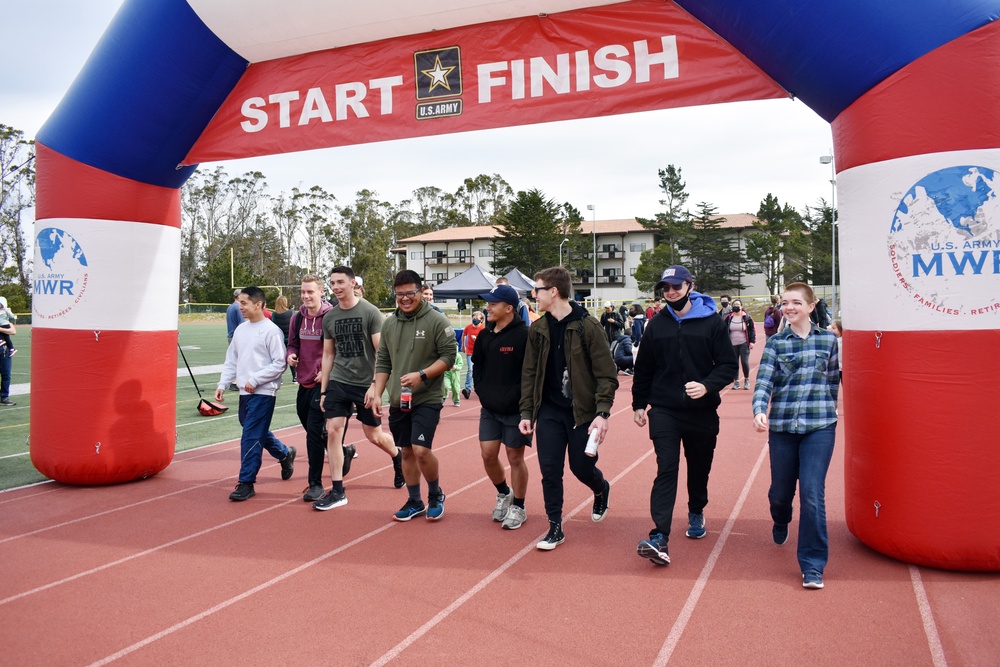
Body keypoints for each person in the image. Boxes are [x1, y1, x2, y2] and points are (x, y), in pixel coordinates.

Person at [632, 266, 738, 565]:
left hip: (702, 411)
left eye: (676, 286)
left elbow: (728, 366)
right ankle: (659, 537)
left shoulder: (712, 322)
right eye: (665, 287)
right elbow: (645, 369)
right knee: (666, 468)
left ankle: (696, 509)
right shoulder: (657, 324)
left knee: (699, 468)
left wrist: (706, 386)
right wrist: (639, 404)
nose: (670, 292)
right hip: (664, 409)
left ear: (690, 286)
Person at [518, 267, 619, 551]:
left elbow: (606, 374)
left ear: (554, 291)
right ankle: (554, 526)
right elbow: (529, 374)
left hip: (581, 412)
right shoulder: (538, 329)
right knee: (550, 470)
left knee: (581, 467)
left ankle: (601, 488)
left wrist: (602, 412)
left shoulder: (588, 326)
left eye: (537, 289)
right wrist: (527, 413)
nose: (533, 295)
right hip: (549, 411)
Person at [752, 282, 840, 590]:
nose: (789, 308)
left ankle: (813, 565)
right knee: (780, 493)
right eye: (784, 303)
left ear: (811, 305)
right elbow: (764, 381)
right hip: (783, 429)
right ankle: (781, 517)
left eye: (795, 303)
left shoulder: (829, 341)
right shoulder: (776, 343)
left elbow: (832, 383)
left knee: (813, 495)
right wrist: (759, 409)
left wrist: (830, 412)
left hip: (820, 427)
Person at [369, 270, 458, 521]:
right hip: (399, 399)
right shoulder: (389, 323)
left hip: (427, 398)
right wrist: (377, 394)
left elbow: (449, 357)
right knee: (406, 451)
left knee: (420, 449)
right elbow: (383, 361)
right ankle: (414, 501)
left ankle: (435, 494)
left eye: (410, 293)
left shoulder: (437, 321)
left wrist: (423, 374)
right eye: (400, 294)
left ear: (420, 291)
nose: (405, 299)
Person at [315, 266, 404, 510]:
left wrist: (375, 386)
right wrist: (324, 390)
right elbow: (328, 354)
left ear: (353, 283)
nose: (336, 287)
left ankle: (397, 456)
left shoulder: (371, 312)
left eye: (341, 282)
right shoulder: (330, 317)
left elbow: (382, 353)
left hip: (366, 384)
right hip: (339, 381)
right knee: (333, 430)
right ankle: (337, 490)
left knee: (373, 435)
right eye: (332, 282)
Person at [215, 286, 296, 501]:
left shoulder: (271, 331)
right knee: (252, 427)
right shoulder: (241, 330)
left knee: (250, 434)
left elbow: (280, 364)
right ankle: (284, 453)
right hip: (244, 391)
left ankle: (246, 482)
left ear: (258, 304)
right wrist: (222, 384)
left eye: (243, 303)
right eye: (238, 303)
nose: (238, 307)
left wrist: (255, 380)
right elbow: (232, 359)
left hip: (263, 392)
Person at [286, 275, 353, 502]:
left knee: (314, 433)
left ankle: (315, 484)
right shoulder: (297, 318)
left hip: (324, 382)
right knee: (308, 424)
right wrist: (290, 355)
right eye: (303, 292)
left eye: (310, 292)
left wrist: (327, 371)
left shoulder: (331, 317)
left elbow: (340, 349)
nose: (305, 296)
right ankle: (343, 453)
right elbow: (293, 342)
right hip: (303, 380)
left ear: (321, 292)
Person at [473, 285, 532, 530]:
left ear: (508, 308)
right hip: (489, 408)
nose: (488, 308)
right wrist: (482, 391)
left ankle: (518, 505)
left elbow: (529, 373)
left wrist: (515, 397)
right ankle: (503, 492)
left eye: (493, 304)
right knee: (488, 454)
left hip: (515, 409)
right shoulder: (486, 335)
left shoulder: (524, 335)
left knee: (514, 457)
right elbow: (478, 366)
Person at [723, 298, 756, 390]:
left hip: (744, 343)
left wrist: (752, 342)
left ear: (742, 306)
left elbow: (752, 330)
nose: (736, 306)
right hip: (732, 344)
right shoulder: (729, 318)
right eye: (734, 305)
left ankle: (746, 380)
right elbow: (724, 330)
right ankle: (736, 381)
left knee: (744, 362)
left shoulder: (747, 317)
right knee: (734, 363)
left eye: (738, 305)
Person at [460, 311, 484, 400]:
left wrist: (477, 339)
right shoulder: (468, 327)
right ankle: (468, 389)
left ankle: (480, 387)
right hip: (470, 351)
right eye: (474, 318)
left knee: (480, 370)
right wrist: (463, 345)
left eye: (477, 318)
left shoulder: (482, 329)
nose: (475, 320)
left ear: (481, 320)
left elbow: (484, 341)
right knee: (470, 369)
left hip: (480, 352)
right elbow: (464, 334)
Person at [271, 294, 295, 382]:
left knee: (279, 359)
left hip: (279, 340)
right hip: (290, 339)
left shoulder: (274, 314)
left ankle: (279, 378)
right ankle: (294, 377)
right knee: (292, 357)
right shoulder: (291, 313)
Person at [0, 311, 16, 406]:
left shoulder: (5, 321)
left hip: (4, 351)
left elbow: (13, 331)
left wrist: (0, 328)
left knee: (6, 375)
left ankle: (4, 397)